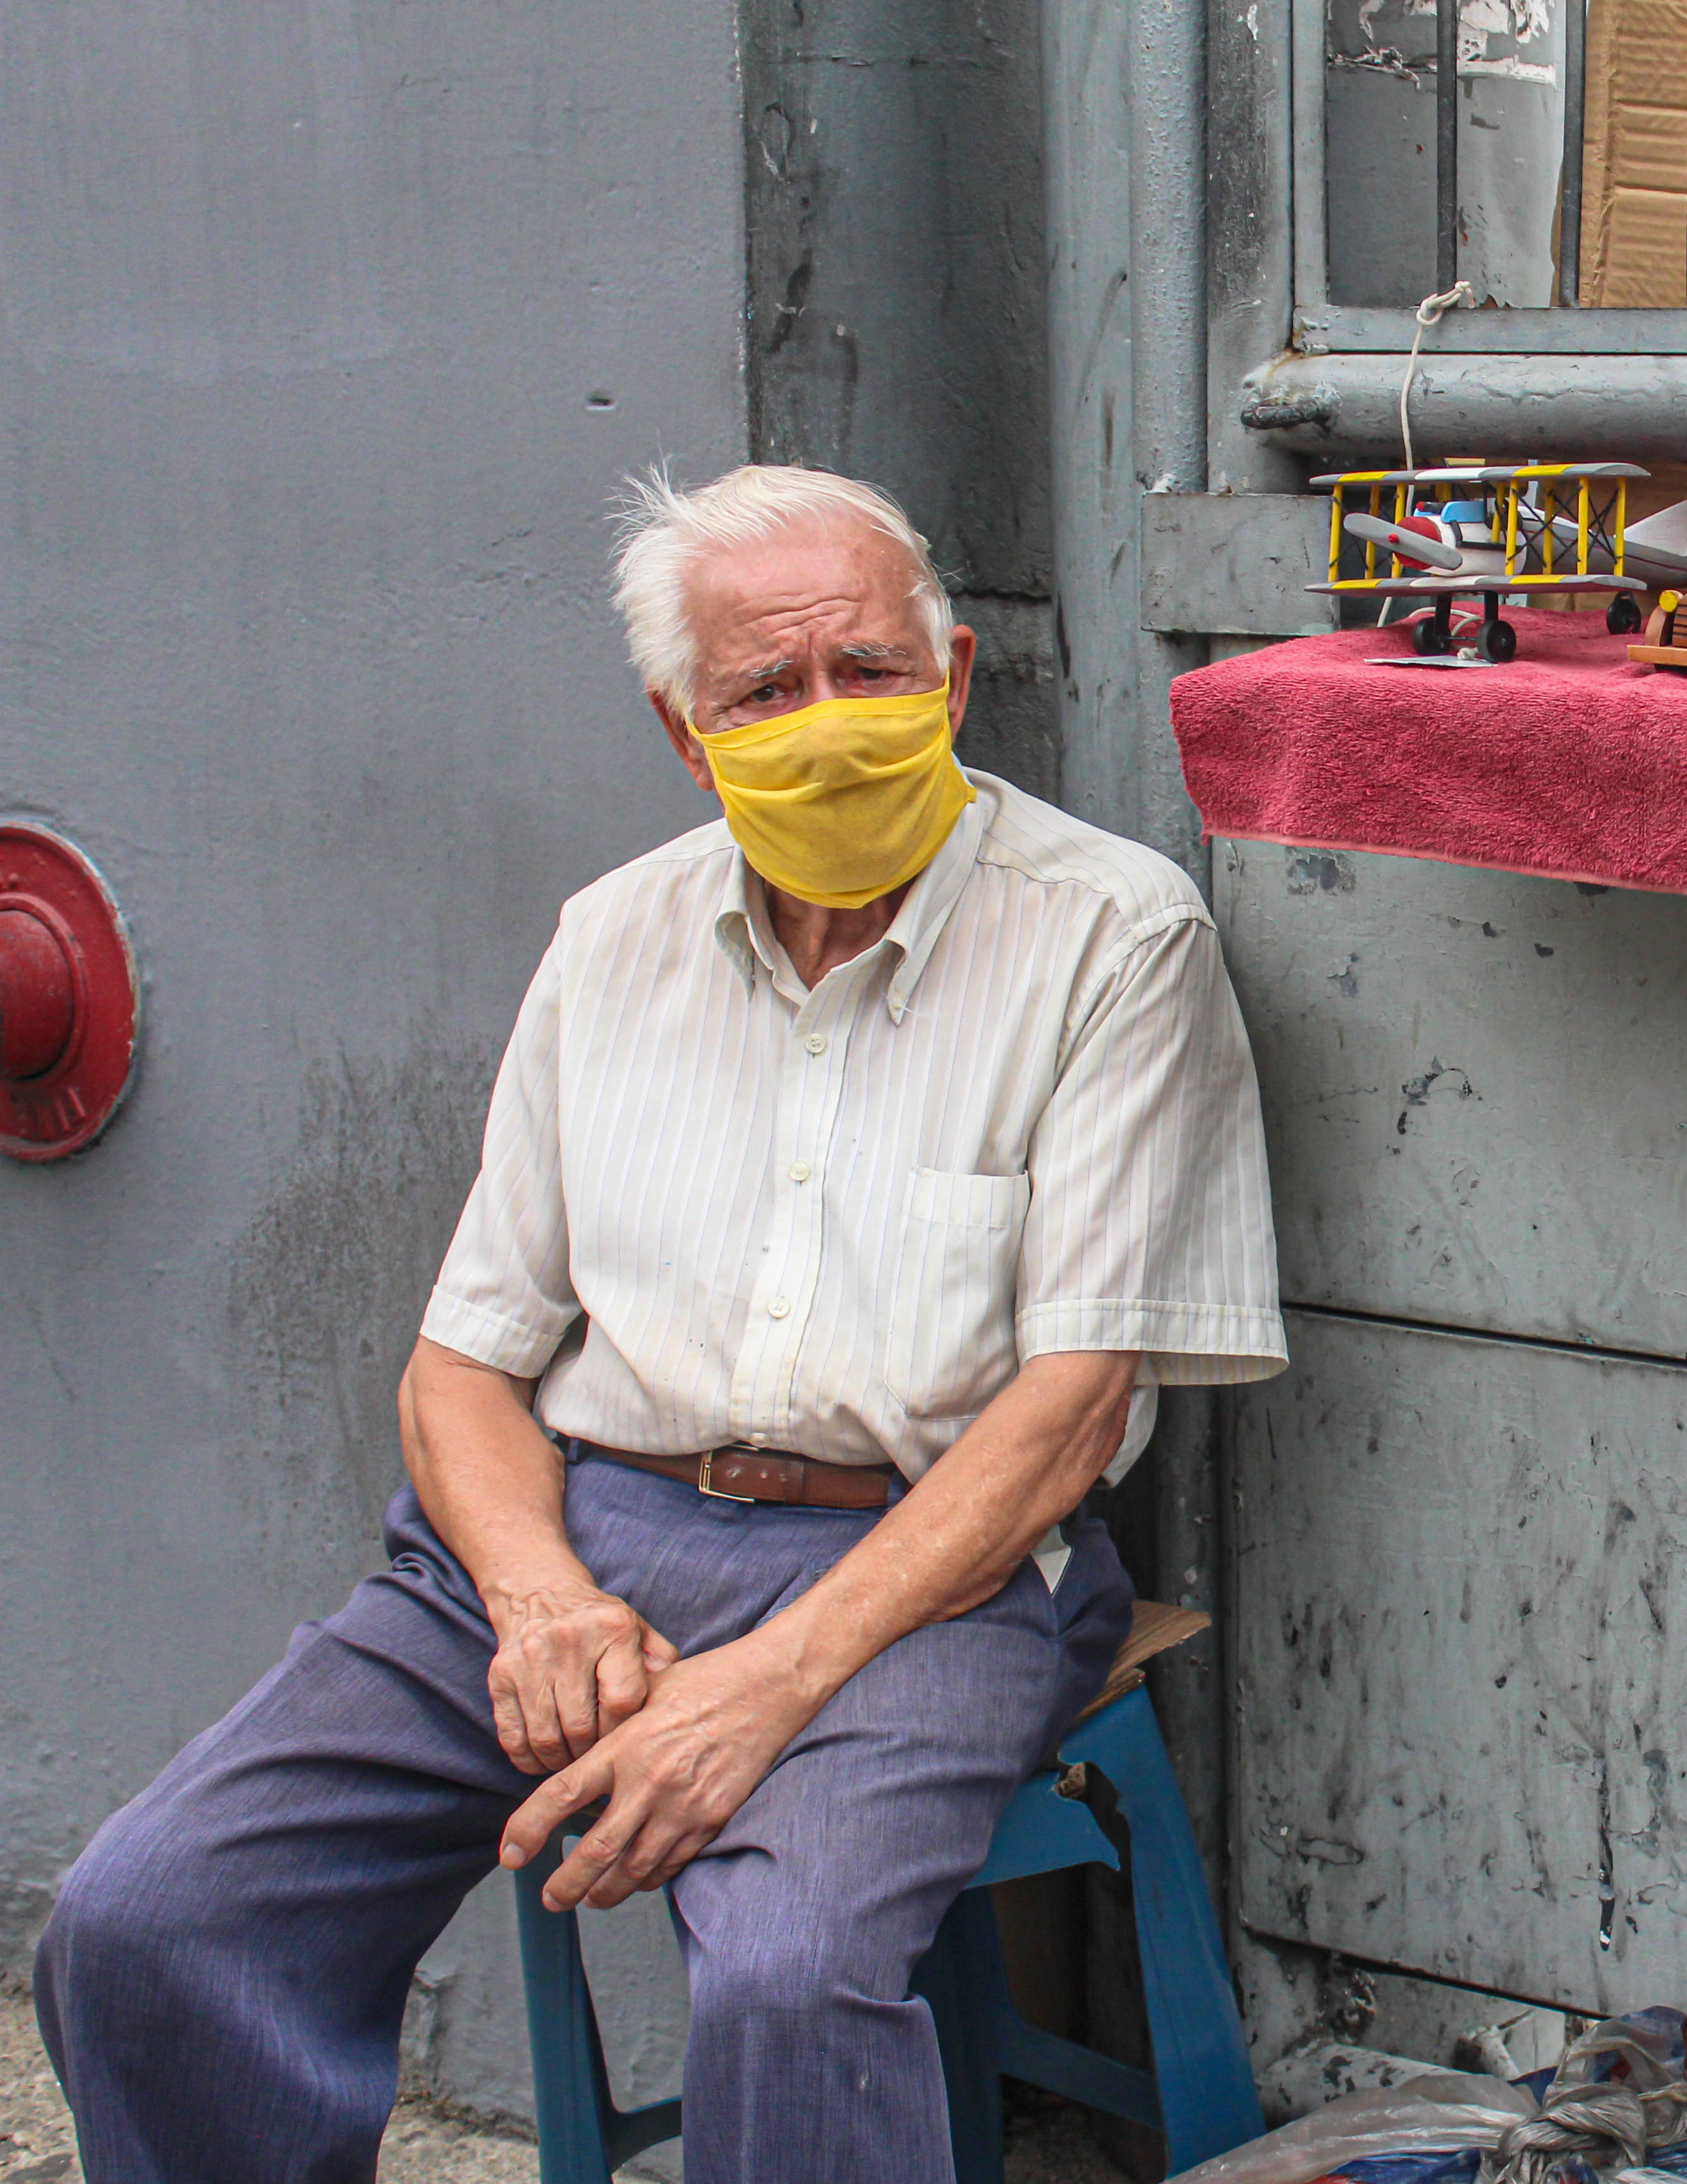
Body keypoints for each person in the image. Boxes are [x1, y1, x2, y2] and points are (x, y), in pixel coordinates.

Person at [32, 464, 1286, 2181]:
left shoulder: (1111, 935)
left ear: (956, 677)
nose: (828, 726)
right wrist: (541, 1599)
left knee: (788, 1995)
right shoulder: (613, 940)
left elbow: (1071, 1408)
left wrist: (767, 1685)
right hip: (575, 1537)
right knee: (154, 1920)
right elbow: (463, 1365)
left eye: (869, 670)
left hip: (934, 1571)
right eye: (767, 692)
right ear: (687, 733)